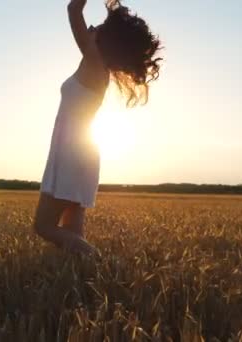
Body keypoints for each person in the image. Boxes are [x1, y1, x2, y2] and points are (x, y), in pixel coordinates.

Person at [33, 0, 162, 255]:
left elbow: (73, 9)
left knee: (43, 226)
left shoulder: (94, 62)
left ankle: (98, 261)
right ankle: (84, 281)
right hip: (80, 152)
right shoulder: (96, 67)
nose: (92, 26)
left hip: (73, 154)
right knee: (71, 233)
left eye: (100, 26)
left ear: (108, 42)